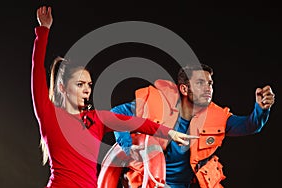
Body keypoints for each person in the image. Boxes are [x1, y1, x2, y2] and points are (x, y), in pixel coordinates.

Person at [31, 6, 199, 188]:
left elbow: (135, 122)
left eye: (89, 85)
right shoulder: (50, 116)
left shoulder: (97, 119)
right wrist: (43, 31)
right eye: (80, 85)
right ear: (62, 88)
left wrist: (171, 133)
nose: (87, 90)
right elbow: (36, 70)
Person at [109, 63, 275, 187]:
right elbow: (116, 114)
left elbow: (249, 125)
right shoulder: (157, 102)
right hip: (147, 181)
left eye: (210, 83)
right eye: (200, 83)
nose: (208, 88)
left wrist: (261, 108)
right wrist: (127, 147)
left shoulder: (216, 116)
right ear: (184, 89)